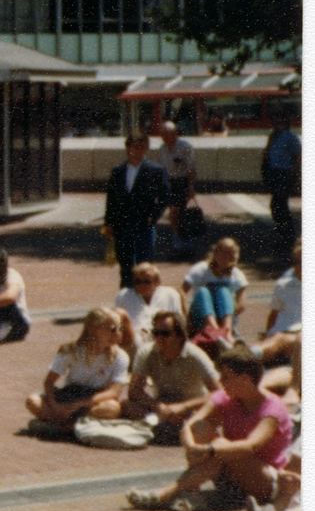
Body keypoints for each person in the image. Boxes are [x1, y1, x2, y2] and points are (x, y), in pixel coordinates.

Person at [128, 347, 293, 511]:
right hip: (229, 470)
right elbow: (192, 423)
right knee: (201, 428)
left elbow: (250, 446)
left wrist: (210, 449)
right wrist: (191, 446)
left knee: (222, 446)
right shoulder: (227, 396)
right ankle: (190, 489)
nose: (221, 381)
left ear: (244, 378)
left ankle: (168, 493)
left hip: (264, 480)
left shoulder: (272, 408)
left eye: (226, 377)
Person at [122, 311, 221, 443]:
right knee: (127, 405)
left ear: (180, 335)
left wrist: (183, 407)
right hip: (162, 406)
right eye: (155, 333)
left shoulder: (195, 355)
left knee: (212, 416)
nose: (159, 338)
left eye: (165, 333)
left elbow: (220, 393)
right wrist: (159, 407)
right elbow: (134, 391)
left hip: (190, 408)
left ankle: (165, 429)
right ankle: (170, 429)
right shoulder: (146, 352)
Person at [25, 307, 130, 426]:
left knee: (112, 408)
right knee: (32, 401)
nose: (118, 334)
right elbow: (49, 382)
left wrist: (80, 404)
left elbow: (114, 392)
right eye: (112, 329)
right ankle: (72, 425)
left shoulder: (120, 356)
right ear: (94, 329)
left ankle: (61, 426)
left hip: (94, 400)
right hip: (70, 395)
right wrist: (55, 405)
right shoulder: (70, 350)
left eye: (120, 328)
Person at [102, 131, 169, 290]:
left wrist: (153, 216)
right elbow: (111, 199)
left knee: (144, 267)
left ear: (146, 149)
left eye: (142, 147)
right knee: (125, 266)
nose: (138, 151)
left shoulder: (155, 170)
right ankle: (126, 297)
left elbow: (165, 196)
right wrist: (108, 223)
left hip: (143, 225)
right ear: (128, 148)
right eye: (135, 147)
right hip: (122, 226)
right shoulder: (118, 171)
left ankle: (145, 297)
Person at [181, 236, 248, 345]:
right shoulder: (201, 269)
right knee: (203, 291)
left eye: (231, 253)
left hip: (223, 317)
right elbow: (181, 292)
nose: (226, 256)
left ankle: (226, 331)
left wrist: (226, 314)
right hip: (201, 315)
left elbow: (242, 304)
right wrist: (187, 317)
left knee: (223, 291)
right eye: (223, 252)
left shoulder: (237, 274)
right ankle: (213, 329)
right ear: (215, 252)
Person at [112, 262, 183, 356]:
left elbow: (180, 322)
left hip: (159, 337)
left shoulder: (170, 294)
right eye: (138, 282)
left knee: (165, 317)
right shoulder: (124, 295)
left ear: (157, 282)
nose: (142, 285)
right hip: (134, 339)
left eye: (147, 281)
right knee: (119, 314)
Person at [152, 120, 197, 255]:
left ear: (175, 133)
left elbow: (191, 168)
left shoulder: (185, 147)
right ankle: (176, 240)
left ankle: (187, 242)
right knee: (173, 212)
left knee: (181, 212)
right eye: (162, 134)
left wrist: (191, 187)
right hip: (169, 182)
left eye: (167, 133)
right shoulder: (162, 148)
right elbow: (161, 168)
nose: (164, 137)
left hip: (182, 181)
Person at [254, 240, 301, 366]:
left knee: (280, 340)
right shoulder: (283, 285)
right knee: (272, 341)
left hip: (299, 336)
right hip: (282, 333)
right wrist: (267, 334)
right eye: (296, 262)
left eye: (302, 262)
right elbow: (274, 314)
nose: (298, 266)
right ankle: (241, 356)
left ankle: (246, 357)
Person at [261, 111, 301, 246]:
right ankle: (284, 234)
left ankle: (289, 236)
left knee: (279, 205)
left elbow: (298, 157)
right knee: (277, 206)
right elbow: (267, 154)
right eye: (275, 122)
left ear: (285, 123)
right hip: (274, 173)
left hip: (284, 173)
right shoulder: (273, 137)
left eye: (279, 122)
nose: (276, 125)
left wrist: (291, 174)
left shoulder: (291, 138)